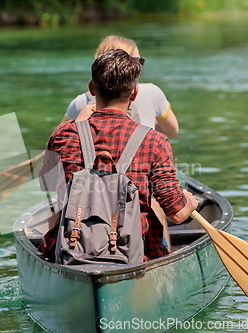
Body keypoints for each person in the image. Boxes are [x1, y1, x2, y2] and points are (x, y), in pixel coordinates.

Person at [39, 49, 198, 262]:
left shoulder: (63, 134)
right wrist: (190, 202)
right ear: (134, 93)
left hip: (71, 249)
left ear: (91, 88)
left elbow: (49, 187)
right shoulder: (154, 141)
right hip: (133, 255)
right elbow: (176, 214)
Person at [63, 35, 179, 138]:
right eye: (138, 62)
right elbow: (172, 131)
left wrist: (79, 124)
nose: (140, 68)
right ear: (134, 92)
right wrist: (150, 117)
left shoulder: (81, 104)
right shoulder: (151, 93)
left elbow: (57, 147)